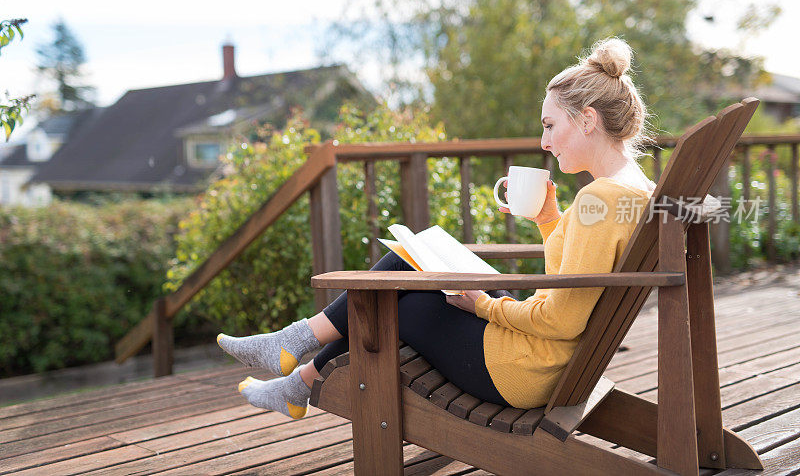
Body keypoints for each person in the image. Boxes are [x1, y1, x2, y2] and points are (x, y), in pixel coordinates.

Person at [216, 37, 657, 419]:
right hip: (543, 352)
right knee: (409, 259)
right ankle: (296, 371)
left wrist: (483, 305)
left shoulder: (600, 199)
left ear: (587, 119)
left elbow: (561, 319)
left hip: (524, 369)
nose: (543, 141)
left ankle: (294, 359)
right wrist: (547, 221)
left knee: (393, 301)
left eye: (549, 125)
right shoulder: (634, 190)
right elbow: (574, 287)